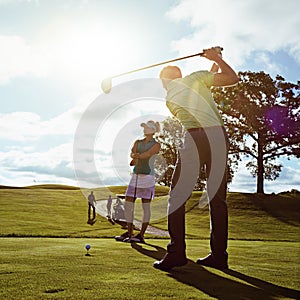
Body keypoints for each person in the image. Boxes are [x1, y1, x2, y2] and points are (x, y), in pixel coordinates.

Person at [153, 47, 239, 271]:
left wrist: (215, 61)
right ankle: (219, 255)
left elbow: (220, 81)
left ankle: (177, 253)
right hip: (219, 136)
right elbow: (230, 78)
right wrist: (217, 59)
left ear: (164, 80)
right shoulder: (196, 79)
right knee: (217, 199)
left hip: (196, 137)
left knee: (178, 196)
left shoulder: (169, 98)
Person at [115, 120, 161, 243]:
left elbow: (148, 154)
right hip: (135, 176)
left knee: (146, 207)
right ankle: (130, 233)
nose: (145, 129)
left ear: (153, 130)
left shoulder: (156, 144)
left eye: (147, 128)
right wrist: (134, 155)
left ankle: (141, 235)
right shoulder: (138, 142)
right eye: (144, 127)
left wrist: (137, 156)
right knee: (128, 205)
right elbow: (132, 152)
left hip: (148, 177)